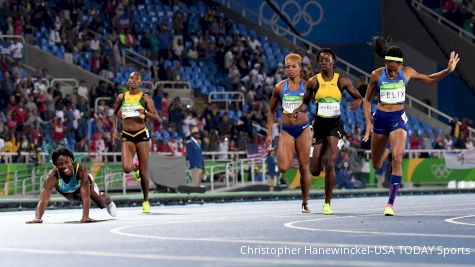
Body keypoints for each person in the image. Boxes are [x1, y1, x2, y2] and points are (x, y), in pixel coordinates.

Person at [362, 36, 460, 216]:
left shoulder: (407, 72)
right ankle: (385, 149)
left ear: (400, 65)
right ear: (386, 65)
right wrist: (368, 122)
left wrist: (447, 70)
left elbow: (430, 79)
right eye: (389, 70)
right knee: (376, 164)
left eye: (394, 70)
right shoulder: (377, 75)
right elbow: (367, 99)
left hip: (398, 119)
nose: (392, 74)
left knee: (397, 159)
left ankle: (390, 204)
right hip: (381, 119)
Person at [296, 48, 364, 215]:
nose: (324, 63)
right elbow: (306, 103)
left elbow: (358, 96)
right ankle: (320, 158)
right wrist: (299, 109)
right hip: (319, 126)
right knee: (314, 170)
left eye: (327, 60)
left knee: (331, 162)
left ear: (333, 62)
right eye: (321, 60)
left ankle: (327, 203)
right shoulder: (313, 82)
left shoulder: (343, 81)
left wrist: (358, 101)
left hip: (335, 125)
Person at [266, 53, 312, 213]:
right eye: (288, 67)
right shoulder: (279, 88)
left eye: (294, 67)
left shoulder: (307, 86)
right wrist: (270, 134)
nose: (290, 70)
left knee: (304, 167)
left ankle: (305, 202)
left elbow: (317, 105)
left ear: (300, 68)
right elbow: (270, 111)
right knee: (283, 167)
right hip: (287, 130)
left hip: (304, 129)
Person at [26, 148, 116, 223]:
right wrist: (38, 218)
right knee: (78, 197)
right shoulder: (51, 177)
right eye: (60, 164)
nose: (64, 166)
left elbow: (86, 196)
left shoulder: (80, 170)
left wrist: (85, 216)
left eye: (67, 162)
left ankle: (107, 199)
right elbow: (43, 200)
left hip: (84, 183)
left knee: (100, 204)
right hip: (69, 192)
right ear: (55, 165)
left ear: (72, 161)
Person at [112, 72, 160, 213]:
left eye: (136, 79)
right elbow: (114, 113)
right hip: (127, 135)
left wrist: (144, 112)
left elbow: (156, 118)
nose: (133, 81)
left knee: (144, 173)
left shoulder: (145, 98)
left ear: (140, 82)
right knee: (127, 168)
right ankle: (135, 168)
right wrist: (115, 130)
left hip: (141, 135)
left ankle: (145, 201)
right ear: (128, 81)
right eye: (130, 78)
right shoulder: (122, 97)